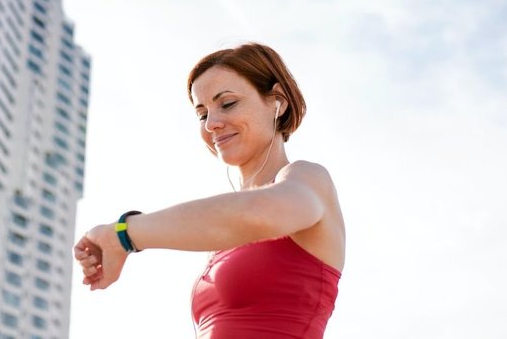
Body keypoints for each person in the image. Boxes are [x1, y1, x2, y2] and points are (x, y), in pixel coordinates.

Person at [74, 43, 346, 338]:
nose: (212, 124)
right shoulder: (219, 237)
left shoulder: (308, 177)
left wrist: (123, 235)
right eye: (202, 114)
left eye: (227, 103)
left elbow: (262, 213)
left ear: (277, 101)